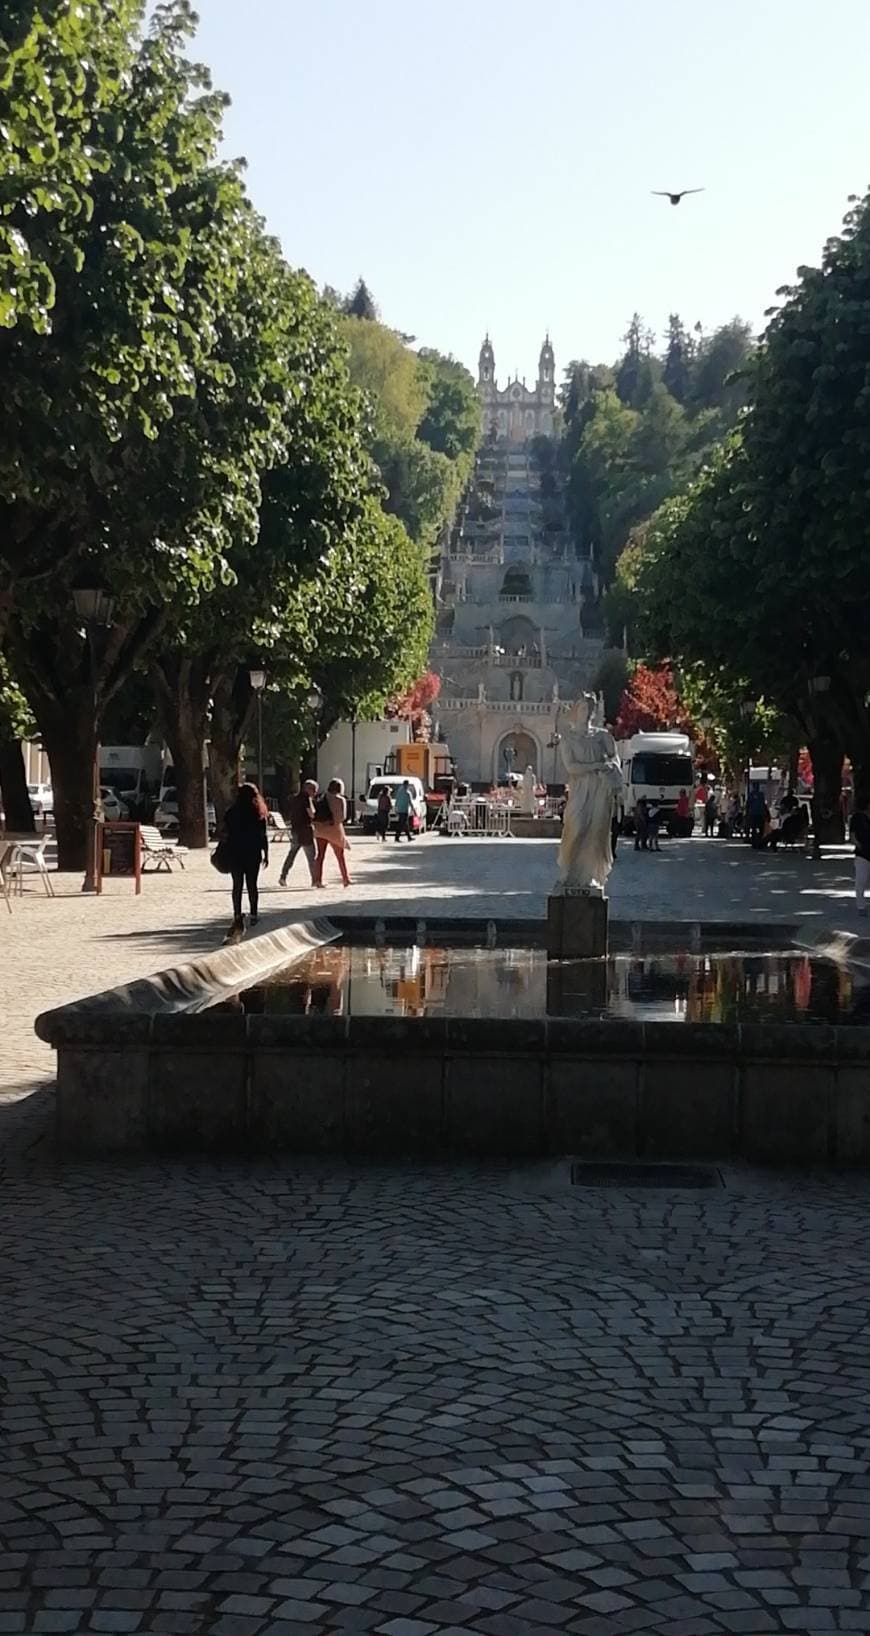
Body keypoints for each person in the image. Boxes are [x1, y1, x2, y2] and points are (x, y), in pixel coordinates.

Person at [223, 782, 269, 939]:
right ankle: (254, 914)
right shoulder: (258, 813)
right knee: (252, 884)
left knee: (237, 884)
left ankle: (237, 913)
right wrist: (266, 854)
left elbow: (225, 832)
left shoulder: (231, 812)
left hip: (235, 852)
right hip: (252, 852)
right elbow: (263, 836)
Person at [313, 777, 351, 887]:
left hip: (320, 829)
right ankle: (345, 878)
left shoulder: (322, 797)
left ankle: (318, 880)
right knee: (340, 856)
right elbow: (342, 817)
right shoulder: (340, 799)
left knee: (320, 856)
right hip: (335, 830)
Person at [279, 779, 317, 887]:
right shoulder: (306, 798)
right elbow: (312, 814)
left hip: (295, 830)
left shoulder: (295, 798)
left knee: (291, 854)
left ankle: (283, 876)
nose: (315, 793)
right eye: (314, 790)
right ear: (308, 789)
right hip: (305, 830)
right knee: (311, 857)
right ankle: (315, 880)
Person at [850, 792, 870, 916]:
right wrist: (858, 845)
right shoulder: (857, 817)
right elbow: (852, 834)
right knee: (861, 880)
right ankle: (861, 905)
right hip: (862, 853)